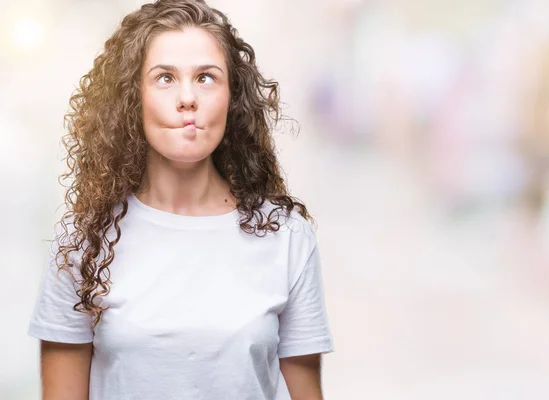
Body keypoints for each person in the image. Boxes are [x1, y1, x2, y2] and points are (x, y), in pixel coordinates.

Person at [27, 1, 335, 399]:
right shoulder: (83, 242)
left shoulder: (287, 237)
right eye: (165, 78)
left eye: (206, 77)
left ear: (232, 97)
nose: (187, 98)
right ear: (132, 97)